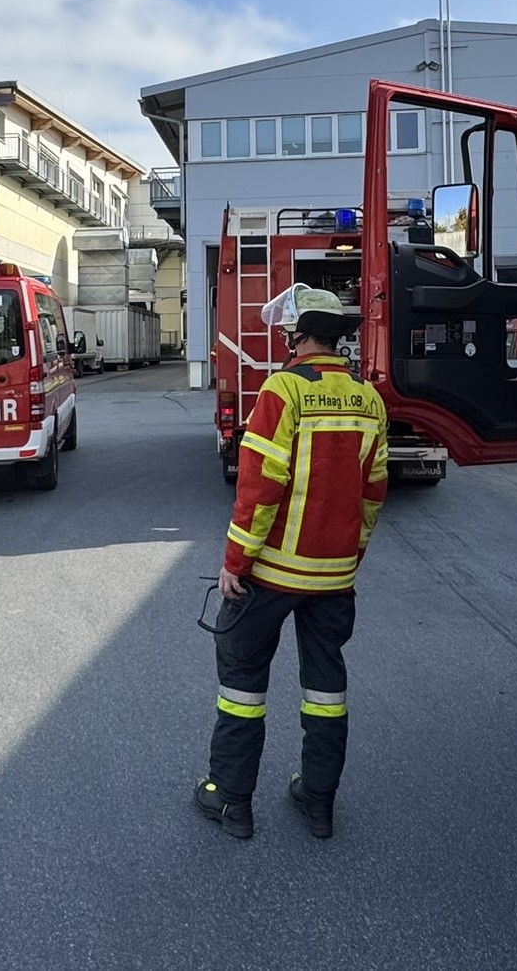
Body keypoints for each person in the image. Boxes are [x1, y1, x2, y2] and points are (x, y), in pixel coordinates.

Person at [194, 285, 388, 842]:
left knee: (242, 683)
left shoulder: (283, 391)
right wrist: (351, 556)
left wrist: (235, 562)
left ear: (298, 335)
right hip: (334, 577)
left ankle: (231, 799)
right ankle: (318, 799)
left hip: (272, 573)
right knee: (326, 689)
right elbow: (374, 492)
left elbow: (259, 489)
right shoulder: (368, 398)